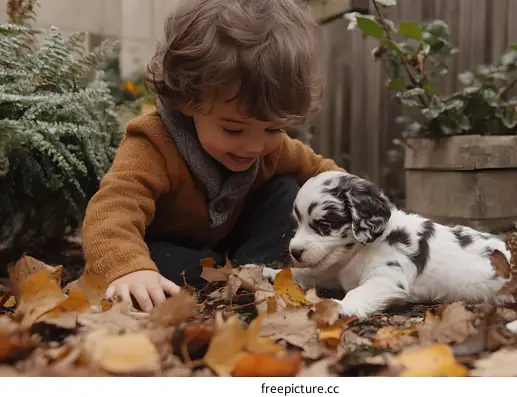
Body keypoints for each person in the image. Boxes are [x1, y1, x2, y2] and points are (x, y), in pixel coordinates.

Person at [80, 0, 345, 313]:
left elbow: (329, 177)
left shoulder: (272, 147)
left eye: (273, 129)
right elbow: (113, 209)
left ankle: (254, 276)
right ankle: (223, 280)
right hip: (175, 252)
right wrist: (129, 267)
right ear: (189, 100)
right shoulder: (152, 143)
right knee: (161, 264)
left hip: (245, 249)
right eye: (233, 130)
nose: (254, 146)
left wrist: (374, 214)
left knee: (289, 191)